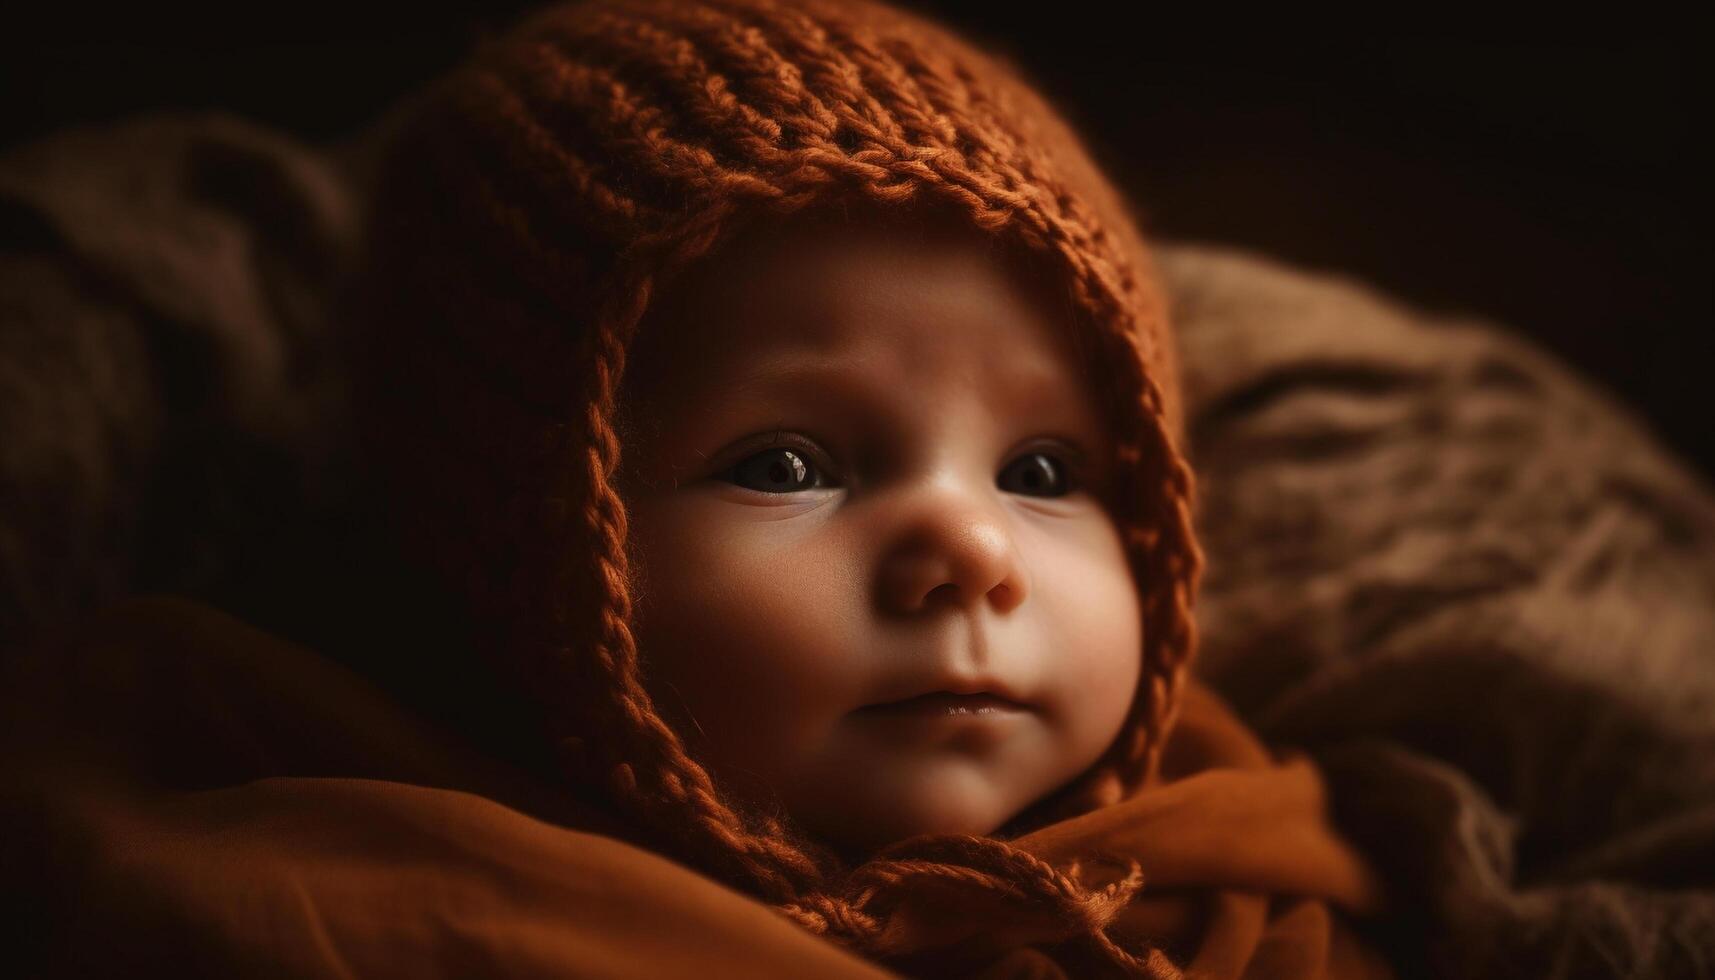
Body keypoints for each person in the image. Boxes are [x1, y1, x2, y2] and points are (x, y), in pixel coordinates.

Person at [0, 0, 1398, 976]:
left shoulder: (1234, 876)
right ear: (519, 548)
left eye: (1043, 471)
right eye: (783, 465)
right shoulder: (312, 889)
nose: (971, 550)